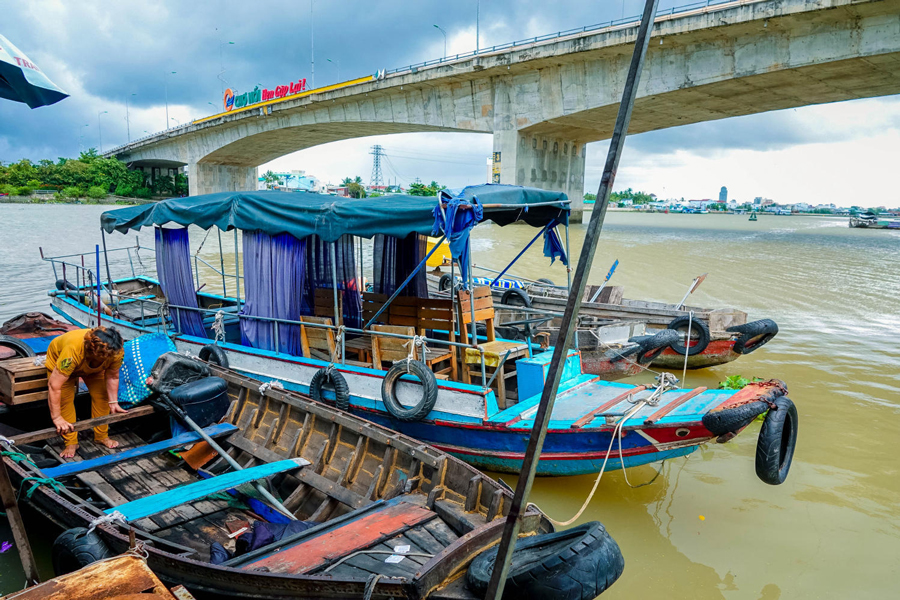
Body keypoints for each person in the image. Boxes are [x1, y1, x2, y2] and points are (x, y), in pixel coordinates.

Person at [45, 327, 126, 458]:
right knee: (65, 400)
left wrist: (113, 401)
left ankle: (101, 435)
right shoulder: (72, 351)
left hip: (94, 367)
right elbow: (54, 386)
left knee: (102, 396)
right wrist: (56, 417)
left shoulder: (116, 351)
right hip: (61, 360)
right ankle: (71, 442)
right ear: (94, 351)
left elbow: (112, 377)